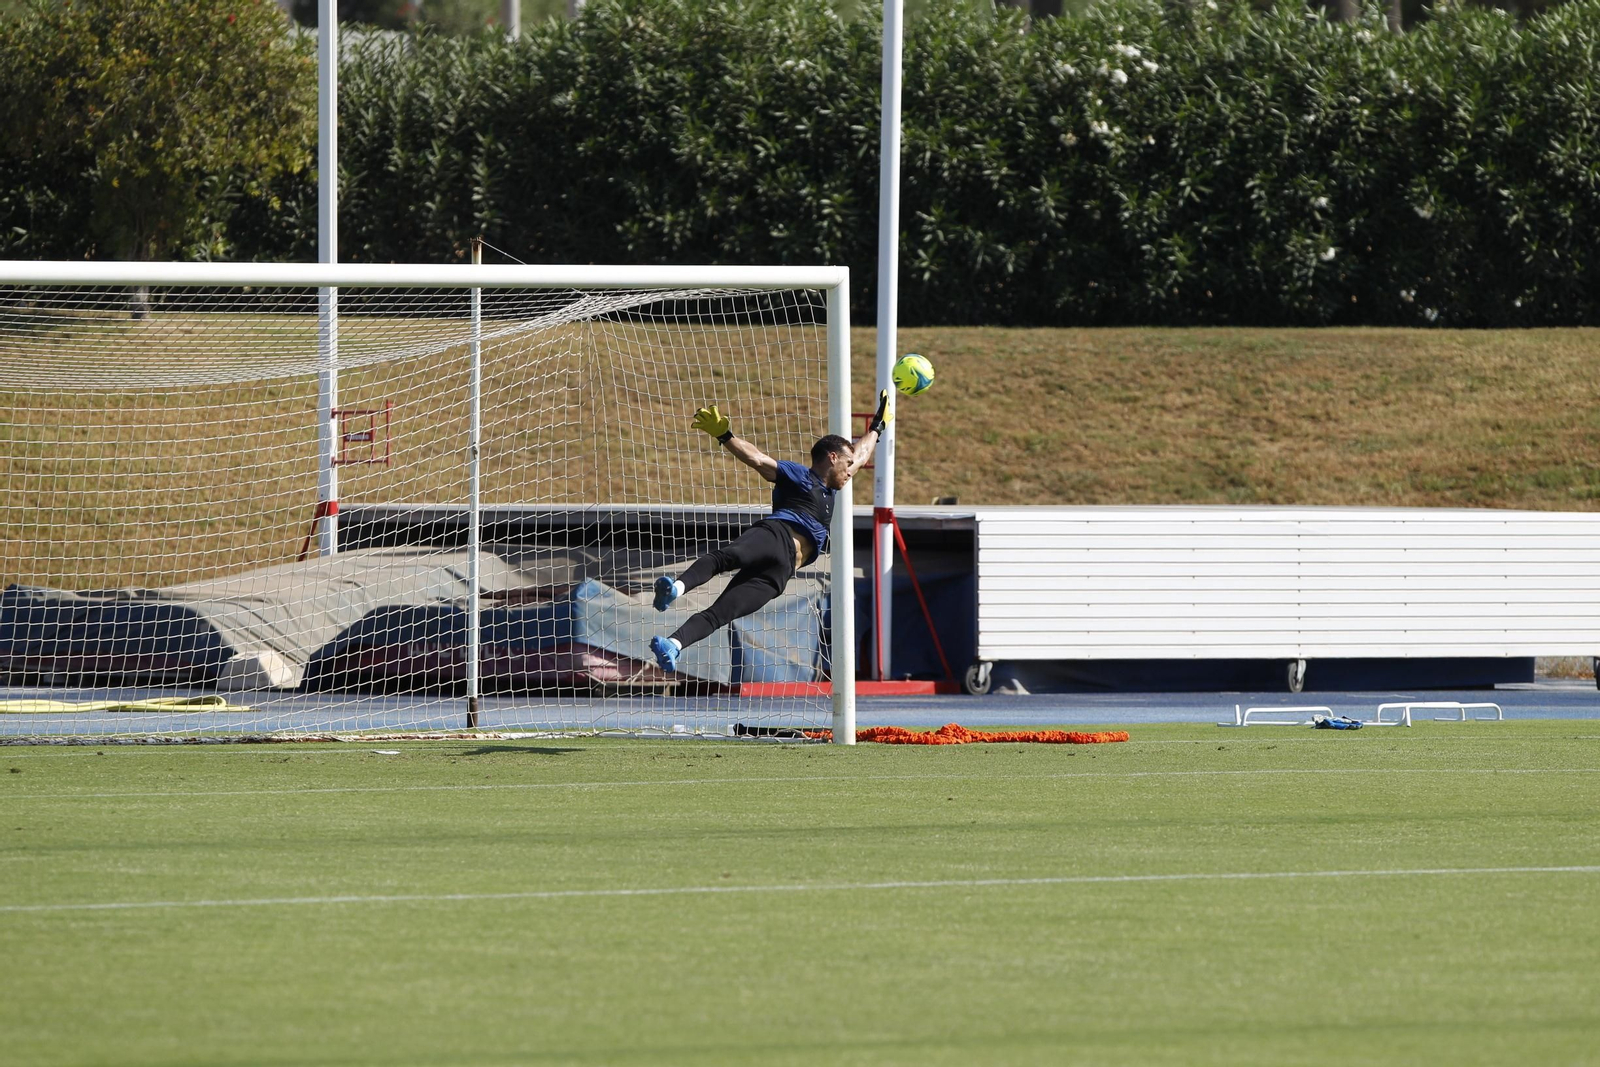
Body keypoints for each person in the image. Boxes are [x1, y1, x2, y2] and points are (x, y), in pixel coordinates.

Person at [648, 391, 892, 673]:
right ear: (833, 457)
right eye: (847, 465)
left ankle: (673, 645)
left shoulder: (832, 489)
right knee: (723, 559)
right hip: (775, 536)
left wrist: (877, 427)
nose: (852, 471)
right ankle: (674, 590)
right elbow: (759, 460)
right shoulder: (801, 475)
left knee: (722, 613)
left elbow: (860, 455)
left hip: (781, 573)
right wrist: (725, 435)